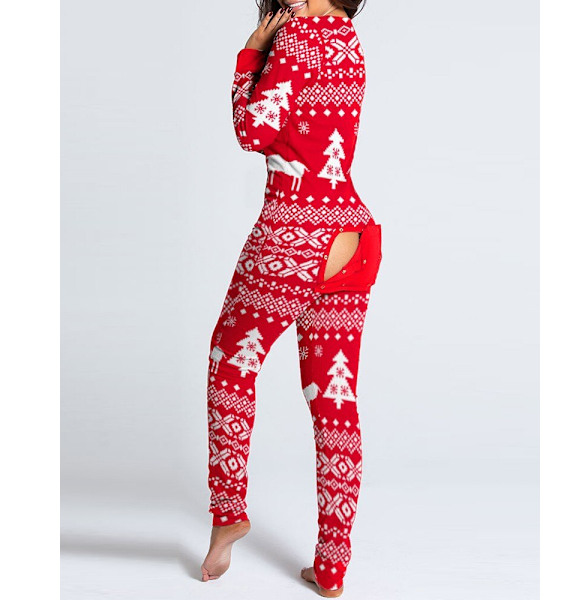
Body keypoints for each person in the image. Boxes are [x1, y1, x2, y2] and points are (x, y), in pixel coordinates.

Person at [201, 1, 382, 596]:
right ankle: (332, 567)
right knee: (334, 400)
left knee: (230, 362)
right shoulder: (349, 39)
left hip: (295, 231)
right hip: (352, 234)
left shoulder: (297, 35)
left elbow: (250, 132)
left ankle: (228, 513)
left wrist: (251, 53)